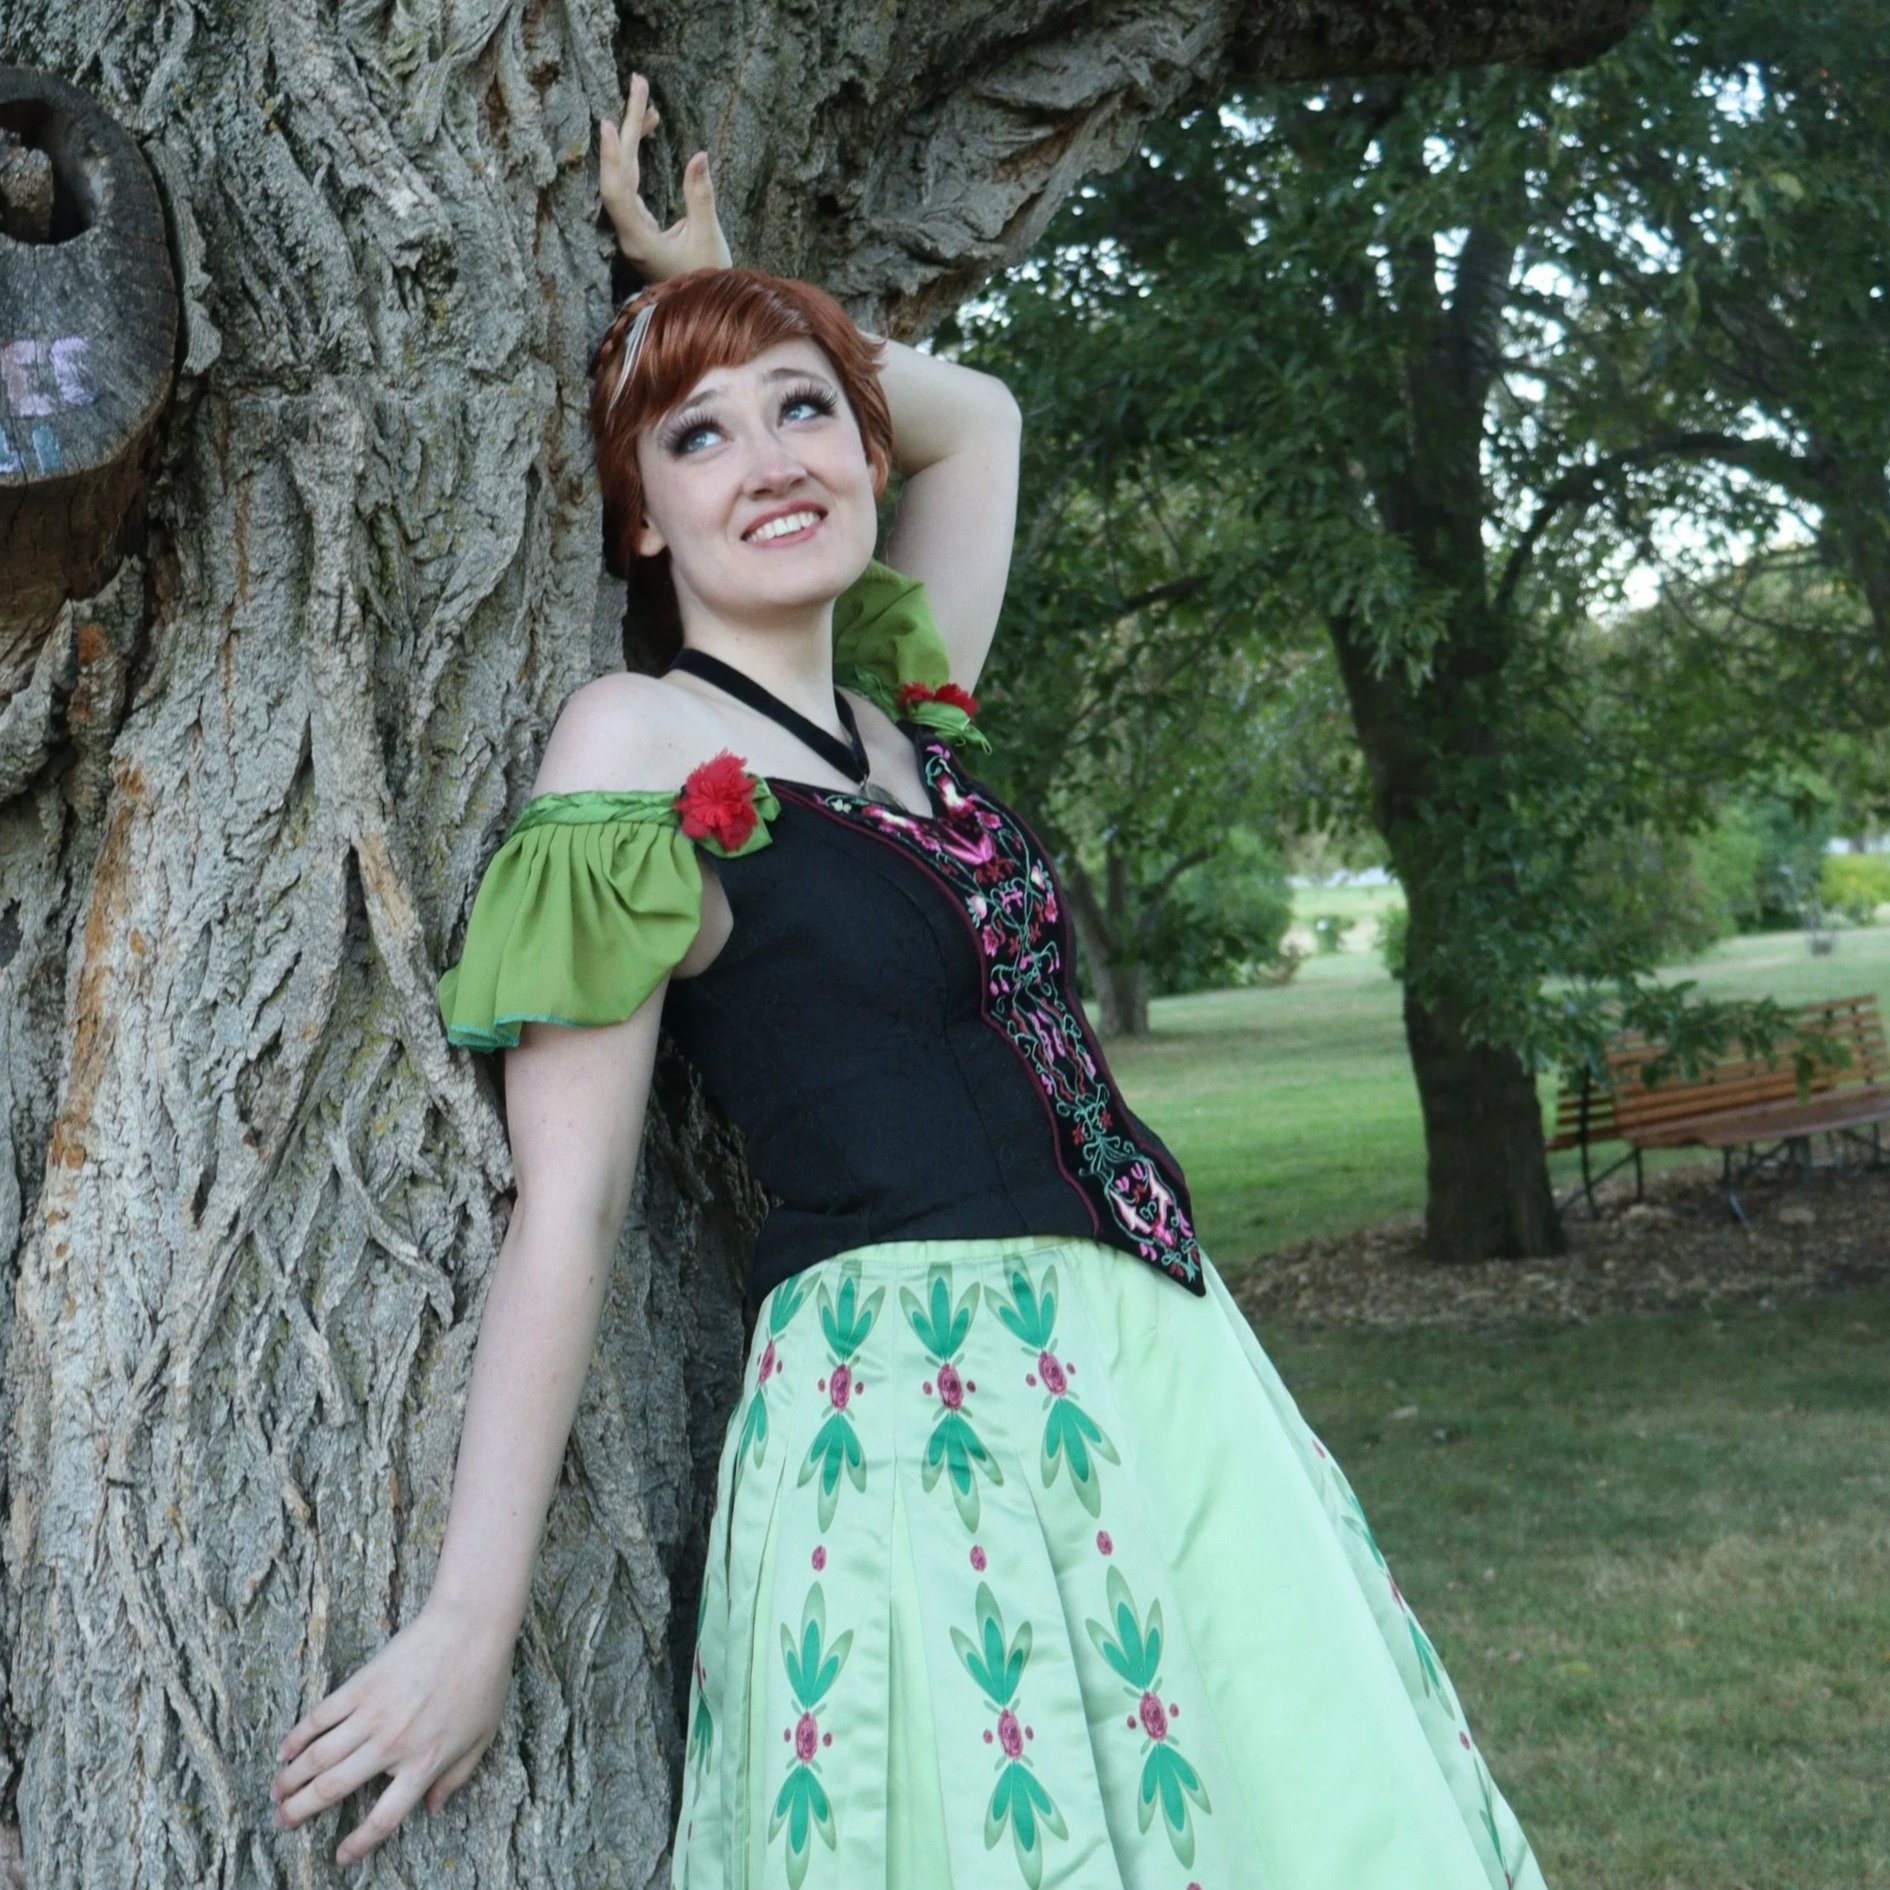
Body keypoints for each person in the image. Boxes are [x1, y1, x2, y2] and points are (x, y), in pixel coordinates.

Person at [268, 75, 1550, 1889]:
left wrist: (729, 282)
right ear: (638, 522)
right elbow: (571, 1201)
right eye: (696, 439)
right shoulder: (632, 742)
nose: (773, 456)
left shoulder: (905, 710)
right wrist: (471, 1620)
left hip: (1161, 1364)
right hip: (910, 1406)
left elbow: (980, 413)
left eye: (804, 414)